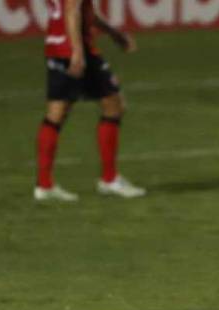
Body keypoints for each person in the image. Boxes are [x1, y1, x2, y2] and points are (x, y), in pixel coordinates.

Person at [35, 0, 145, 201]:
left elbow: (85, 12)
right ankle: (109, 179)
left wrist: (113, 33)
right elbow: (71, 9)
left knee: (56, 113)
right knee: (114, 105)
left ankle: (44, 185)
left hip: (55, 46)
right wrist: (77, 51)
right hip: (76, 47)